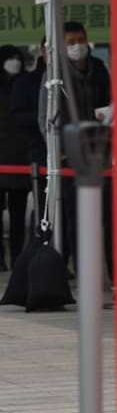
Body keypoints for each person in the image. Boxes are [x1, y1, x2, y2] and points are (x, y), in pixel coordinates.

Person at [38, 22, 114, 279]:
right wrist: (57, 150)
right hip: (70, 159)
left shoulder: (100, 70)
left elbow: (111, 102)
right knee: (78, 219)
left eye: (80, 40)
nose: (77, 46)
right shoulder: (54, 76)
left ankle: (116, 275)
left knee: (108, 217)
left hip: (101, 154)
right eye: (70, 43)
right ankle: (85, 273)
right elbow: (44, 119)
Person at [0, 45, 31, 268]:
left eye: (17, 58)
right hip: (2, 157)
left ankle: (19, 255)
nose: (15, 62)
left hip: (20, 156)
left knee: (18, 214)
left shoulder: (26, 84)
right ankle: (0, 258)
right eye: (10, 58)